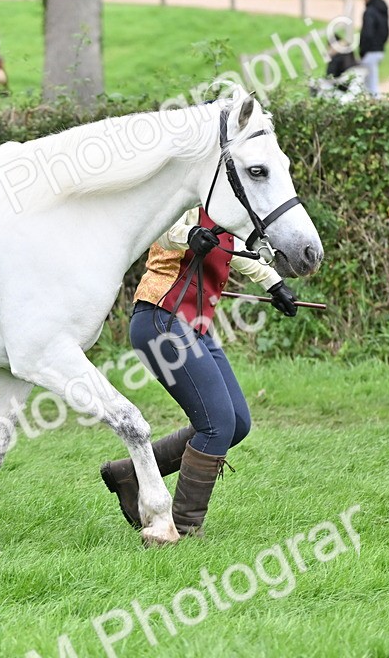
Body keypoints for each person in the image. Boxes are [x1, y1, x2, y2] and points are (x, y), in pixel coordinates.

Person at [100, 207, 299, 537]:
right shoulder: (186, 195)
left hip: (195, 327)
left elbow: (234, 248)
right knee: (217, 425)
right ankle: (182, 526)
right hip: (161, 318)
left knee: (237, 422)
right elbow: (161, 229)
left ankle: (130, 475)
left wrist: (273, 284)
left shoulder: (223, 209)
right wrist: (189, 235)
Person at [358, 0, 389, 98]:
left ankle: (376, 105)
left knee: (370, 86)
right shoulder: (382, 11)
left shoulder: (370, 12)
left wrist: (363, 50)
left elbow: (367, 33)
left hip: (370, 52)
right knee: (370, 83)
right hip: (380, 50)